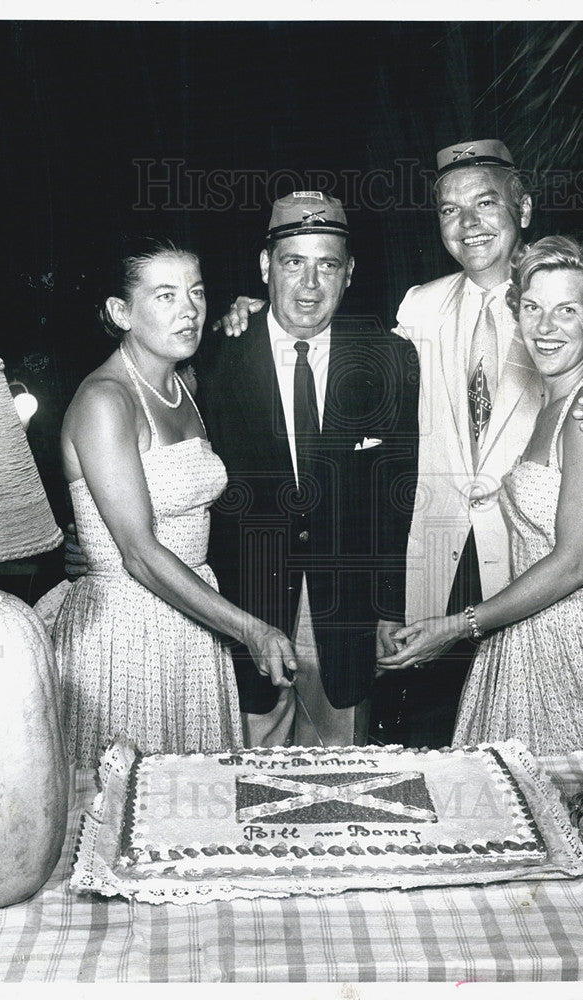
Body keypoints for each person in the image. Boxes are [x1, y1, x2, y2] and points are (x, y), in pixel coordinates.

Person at [219, 139, 583, 746]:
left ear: (522, 208)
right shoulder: (421, 306)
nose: (467, 224)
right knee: (440, 752)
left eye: (484, 203)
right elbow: (328, 356)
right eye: (448, 210)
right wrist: (255, 320)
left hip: (530, 579)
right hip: (432, 577)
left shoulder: (574, 302)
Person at [380, 236, 583, 755]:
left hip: (580, 651)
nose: (543, 327)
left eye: (566, 311)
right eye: (533, 308)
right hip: (528, 637)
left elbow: (573, 565)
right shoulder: (554, 402)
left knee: (577, 815)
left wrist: (456, 625)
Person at [54, 237, 296, 768]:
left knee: (192, 809)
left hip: (191, 616)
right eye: (165, 296)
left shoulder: (183, 382)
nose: (188, 310)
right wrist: (248, 628)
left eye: (197, 293)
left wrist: (254, 313)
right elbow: (137, 552)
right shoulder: (105, 400)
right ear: (121, 311)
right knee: (120, 813)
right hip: (126, 631)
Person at [195, 193, 418, 747]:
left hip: (348, 623)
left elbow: (399, 494)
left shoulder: (388, 359)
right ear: (266, 266)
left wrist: (391, 608)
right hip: (241, 617)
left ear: (349, 275)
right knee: (245, 793)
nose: (310, 285)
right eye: (294, 262)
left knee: (345, 789)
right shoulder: (213, 356)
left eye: (328, 265)